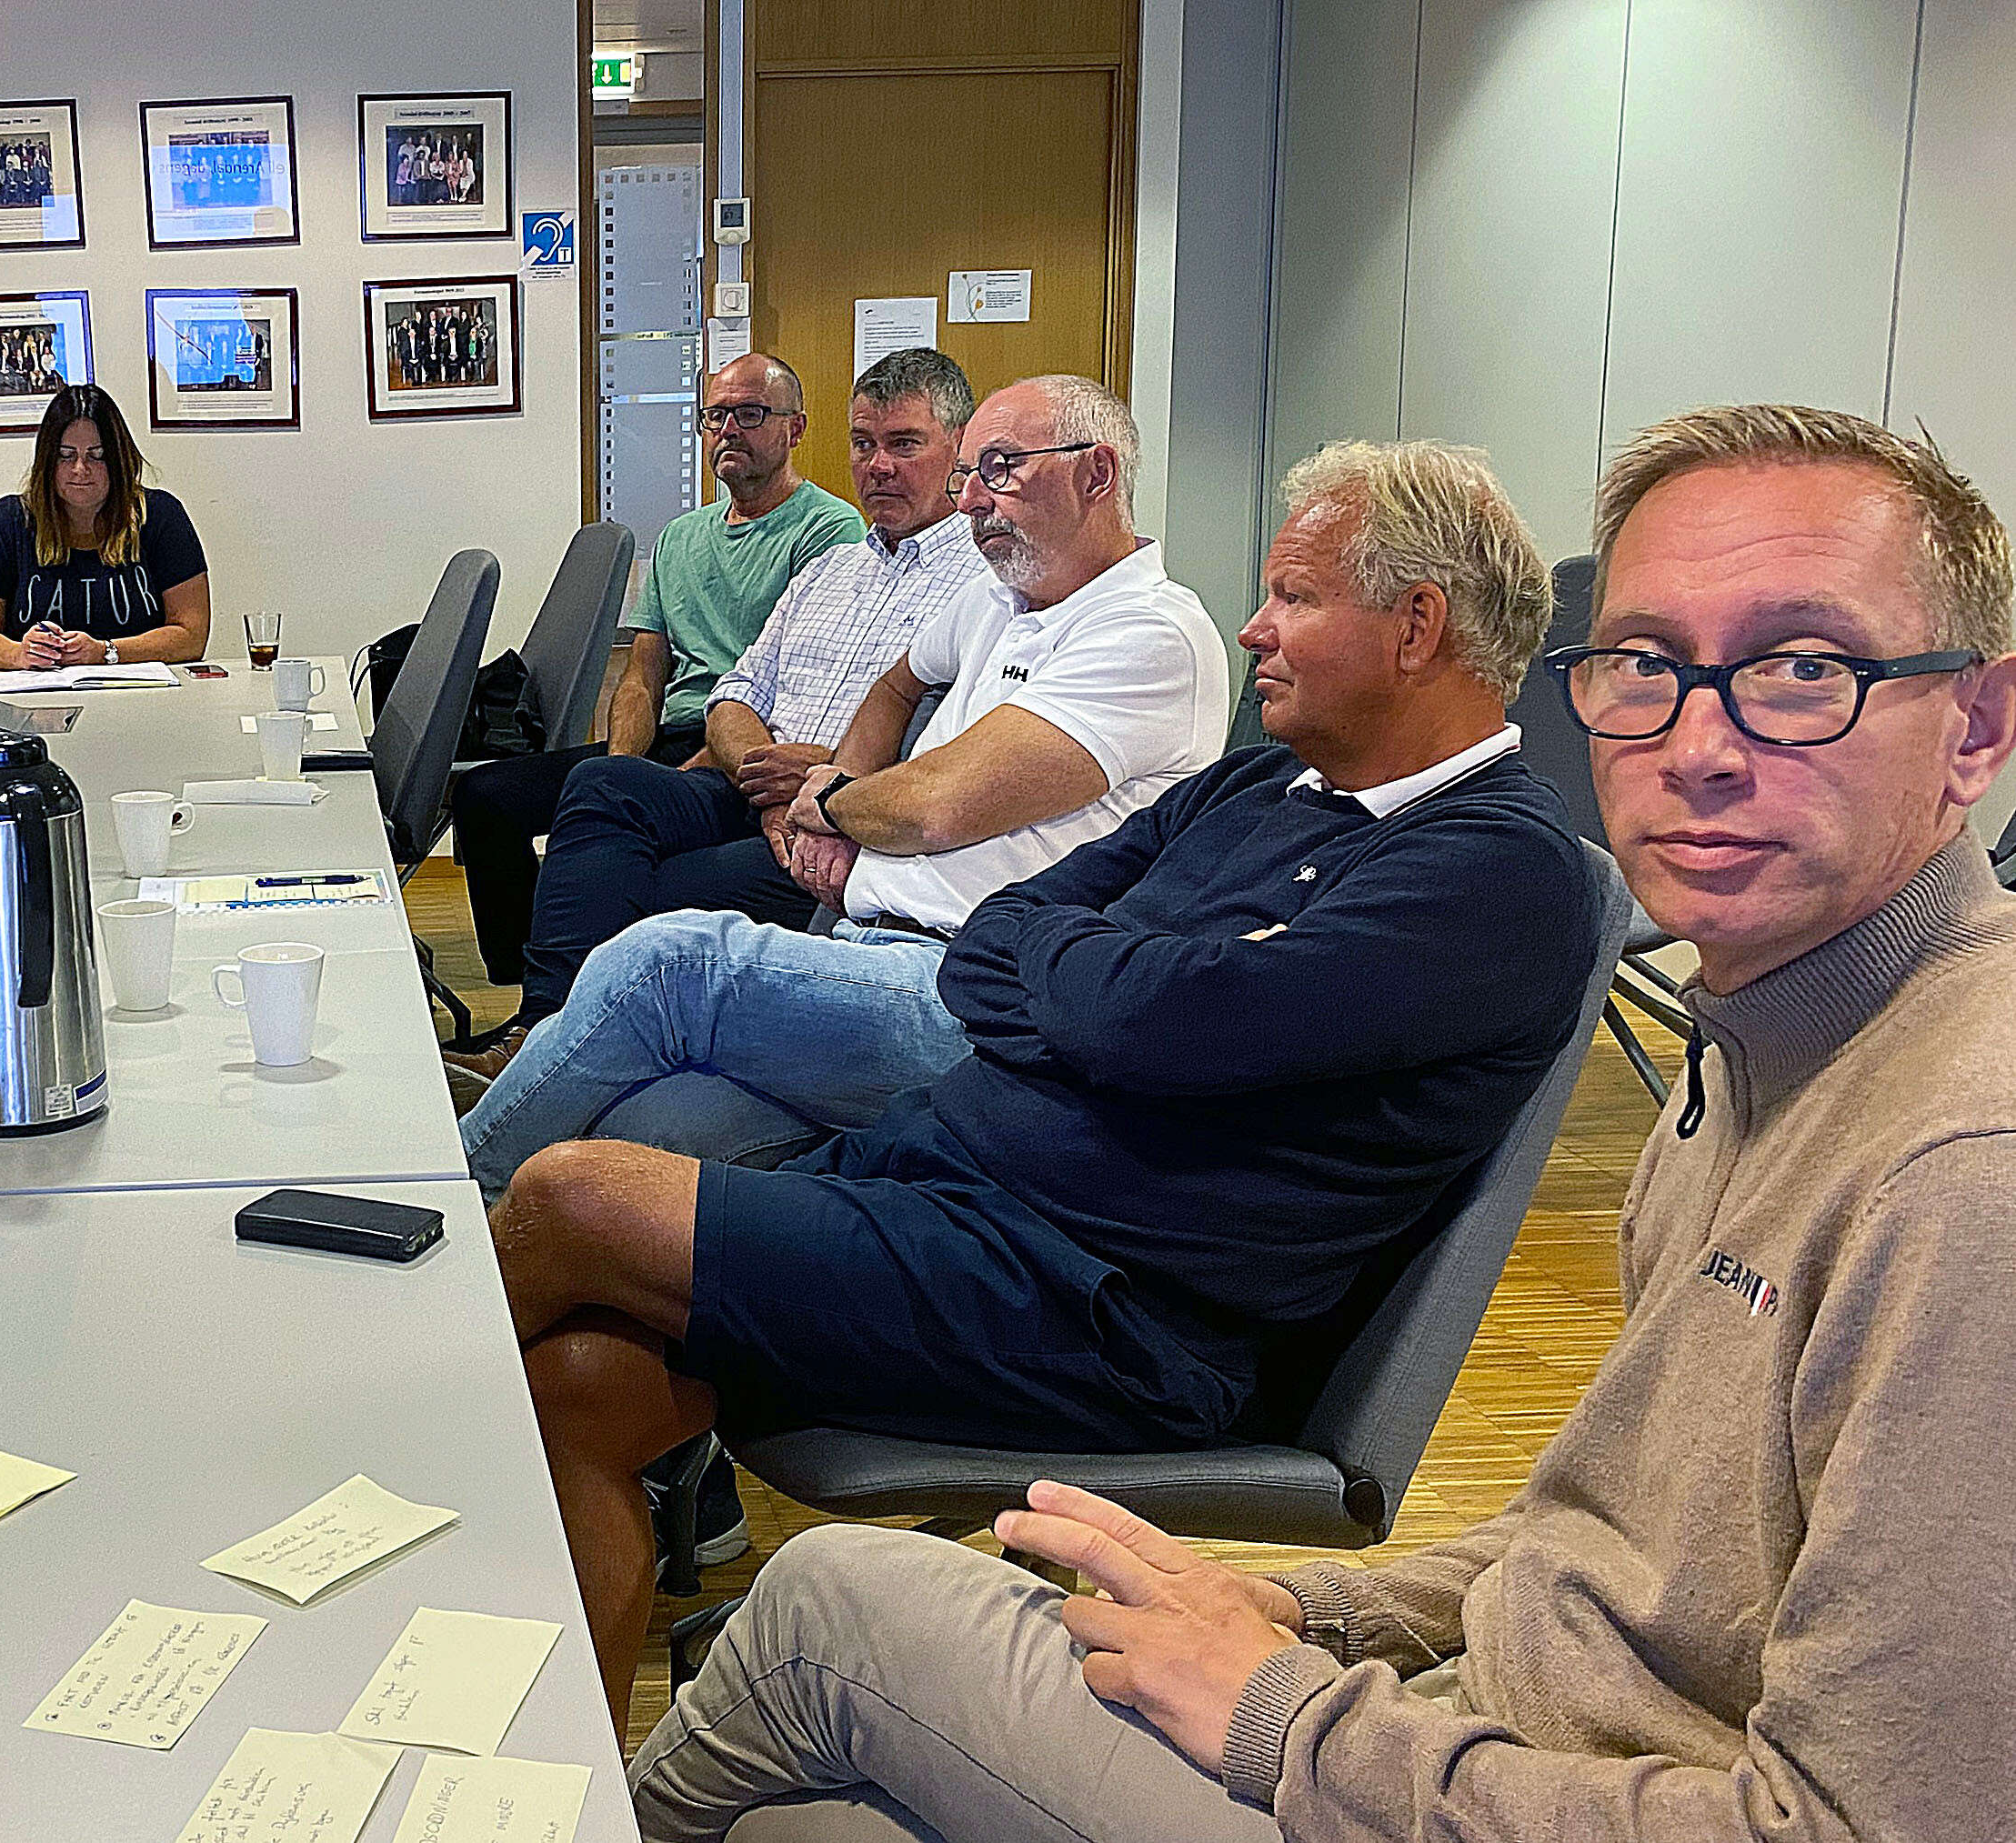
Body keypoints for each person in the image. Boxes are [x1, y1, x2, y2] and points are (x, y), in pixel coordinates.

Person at [629, 406, 2016, 1843]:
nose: (1699, 745)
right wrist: (1309, 1611)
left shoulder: (1965, 1171)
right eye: (1645, 665)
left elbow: (1863, 1820)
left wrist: (1295, 1715)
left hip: (1459, 1767)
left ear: (1977, 725)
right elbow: (1597, 1545)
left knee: (820, 1608)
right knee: (803, 1820)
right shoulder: (1755, 1057)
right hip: (1482, 1722)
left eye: (1804, 668)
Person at [498, 436, 1604, 1727]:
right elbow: (1001, 940)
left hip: (1108, 1310)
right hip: (953, 1197)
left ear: (1416, 626)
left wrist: (1122, 987)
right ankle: (553, 1779)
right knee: (580, 1388)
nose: (1254, 628)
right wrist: (1126, 987)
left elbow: (1165, 1022)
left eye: (1294, 597)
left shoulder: (1496, 868)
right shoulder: (1260, 782)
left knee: (575, 1194)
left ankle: (333, 1478)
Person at [459, 376, 1228, 1194]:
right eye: (970, 473)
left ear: (1097, 473)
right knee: (626, 1130)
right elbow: (896, 685)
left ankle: (440, 1192)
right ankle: (510, 1167)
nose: (973, 499)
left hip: (978, 996)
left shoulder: (1149, 632)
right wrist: (840, 789)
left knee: (666, 962)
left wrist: (825, 804)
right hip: (863, 936)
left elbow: (935, 807)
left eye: (1000, 468)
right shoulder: (999, 596)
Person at [452, 350, 988, 1076]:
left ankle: (572, 1057)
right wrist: (759, 770)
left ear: (957, 447)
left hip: (844, 819)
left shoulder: (983, 582)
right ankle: (542, 1035)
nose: (879, 465)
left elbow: (954, 742)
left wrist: (826, 778)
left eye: (904, 444)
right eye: (864, 444)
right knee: (602, 785)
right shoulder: (832, 570)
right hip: (750, 781)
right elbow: (734, 694)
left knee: (642, 886)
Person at [450, 353, 866, 992]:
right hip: (672, 736)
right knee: (484, 799)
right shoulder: (679, 536)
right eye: (715, 416)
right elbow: (643, 676)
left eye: (751, 414)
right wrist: (624, 765)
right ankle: (524, 980)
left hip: (752, 748)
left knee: (629, 832)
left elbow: (800, 685)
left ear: (796, 428)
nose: (729, 430)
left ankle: (573, 990)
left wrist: (685, 771)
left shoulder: (828, 531)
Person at [0, 384, 209, 670]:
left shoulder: (160, 515)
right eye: (66, 455)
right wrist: (18, 654)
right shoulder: (9, 520)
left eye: (97, 455)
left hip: (139, 691)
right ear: (47, 460)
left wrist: (106, 651)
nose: (80, 469)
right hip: (38, 690)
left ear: (118, 459)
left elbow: (191, 636)